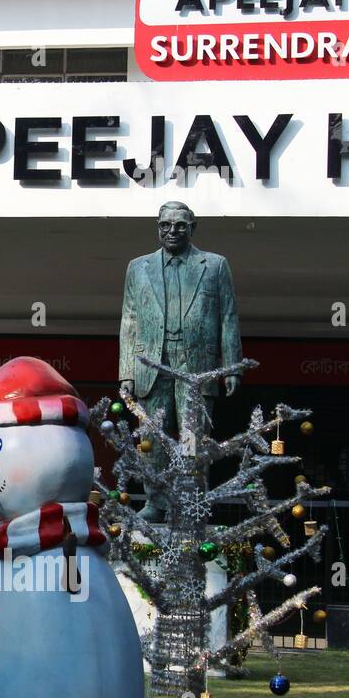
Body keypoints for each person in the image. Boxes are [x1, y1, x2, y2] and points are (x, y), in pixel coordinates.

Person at [119, 201, 242, 521]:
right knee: (151, 438)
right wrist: (126, 372)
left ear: (193, 227)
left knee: (192, 439)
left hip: (196, 365)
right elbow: (129, 320)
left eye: (180, 225)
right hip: (151, 364)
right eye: (165, 225)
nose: (171, 231)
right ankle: (155, 501)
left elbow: (228, 317)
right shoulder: (138, 267)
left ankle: (191, 504)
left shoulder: (214, 265)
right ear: (157, 227)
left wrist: (230, 365)